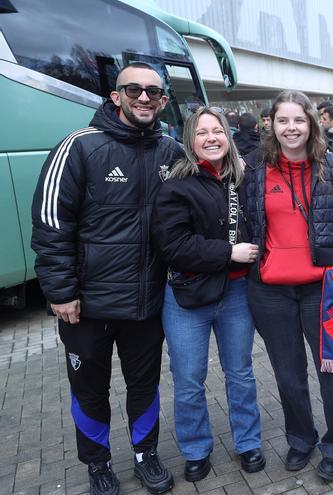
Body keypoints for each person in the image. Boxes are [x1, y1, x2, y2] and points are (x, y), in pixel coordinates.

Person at [31, 62, 181, 495]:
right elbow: (51, 224)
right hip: (86, 308)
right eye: (134, 90)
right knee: (89, 391)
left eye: (154, 92)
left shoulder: (171, 152)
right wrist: (61, 292)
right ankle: (97, 464)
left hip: (146, 304)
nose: (144, 98)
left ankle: (145, 455)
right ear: (115, 96)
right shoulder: (79, 147)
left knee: (144, 386)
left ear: (164, 101)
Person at [241, 90, 333, 482]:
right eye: (283, 120)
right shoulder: (252, 168)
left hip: (321, 288)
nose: (292, 128)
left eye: (299, 120)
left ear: (313, 123)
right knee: (288, 372)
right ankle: (301, 439)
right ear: (271, 124)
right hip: (269, 290)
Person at [151, 107, 265, 483]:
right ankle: (196, 450)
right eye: (202, 133)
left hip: (235, 292)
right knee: (187, 379)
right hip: (187, 295)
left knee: (241, 373)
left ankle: (248, 442)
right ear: (190, 140)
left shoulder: (245, 179)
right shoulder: (175, 185)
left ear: (228, 136)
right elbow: (173, 245)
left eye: (218, 130)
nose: (212, 138)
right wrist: (228, 252)